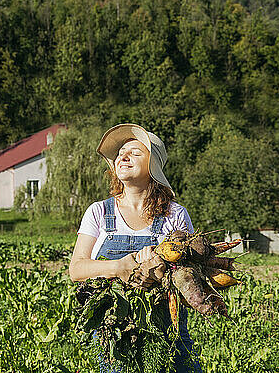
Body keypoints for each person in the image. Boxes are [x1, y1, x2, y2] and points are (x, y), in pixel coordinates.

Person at [69, 123, 203, 373]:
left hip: (167, 333)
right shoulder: (99, 212)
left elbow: (191, 277)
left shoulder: (175, 215)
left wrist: (161, 267)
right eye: (120, 153)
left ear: (153, 166)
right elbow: (77, 269)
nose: (123, 156)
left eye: (135, 152)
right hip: (116, 338)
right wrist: (120, 267)